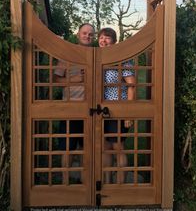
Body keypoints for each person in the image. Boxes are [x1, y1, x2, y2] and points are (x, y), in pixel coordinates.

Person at [98, 27, 135, 183]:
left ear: (114, 41)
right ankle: (107, 183)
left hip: (118, 110)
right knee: (105, 147)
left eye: (107, 38)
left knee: (118, 148)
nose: (103, 40)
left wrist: (129, 113)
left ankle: (120, 186)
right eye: (101, 37)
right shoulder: (96, 57)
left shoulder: (122, 59)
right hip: (100, 110)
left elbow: (131, 86)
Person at [54, 23, 95, 154]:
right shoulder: (68, 55)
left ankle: (84, 175)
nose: (87, 36)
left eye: (90, 34)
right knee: (67, 148)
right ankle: (67, 175)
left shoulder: (97, 55)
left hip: (91, 108)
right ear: (78, 35)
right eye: (84, 33)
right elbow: (56, 80)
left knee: (87, 148)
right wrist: (74, 80)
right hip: (70, 108)